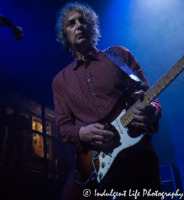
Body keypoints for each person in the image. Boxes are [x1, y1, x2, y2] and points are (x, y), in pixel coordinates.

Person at [52, 2, 162, 200]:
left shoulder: (119, 55)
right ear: (64, 34)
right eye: (71, 23)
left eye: (83, 21)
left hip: (136, 154)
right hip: (92, 164)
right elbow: (62, 127)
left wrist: (152, 111)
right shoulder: (60, 81)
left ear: (91, 27)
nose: (79, 26)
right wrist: (83, 133)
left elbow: (150, 97)